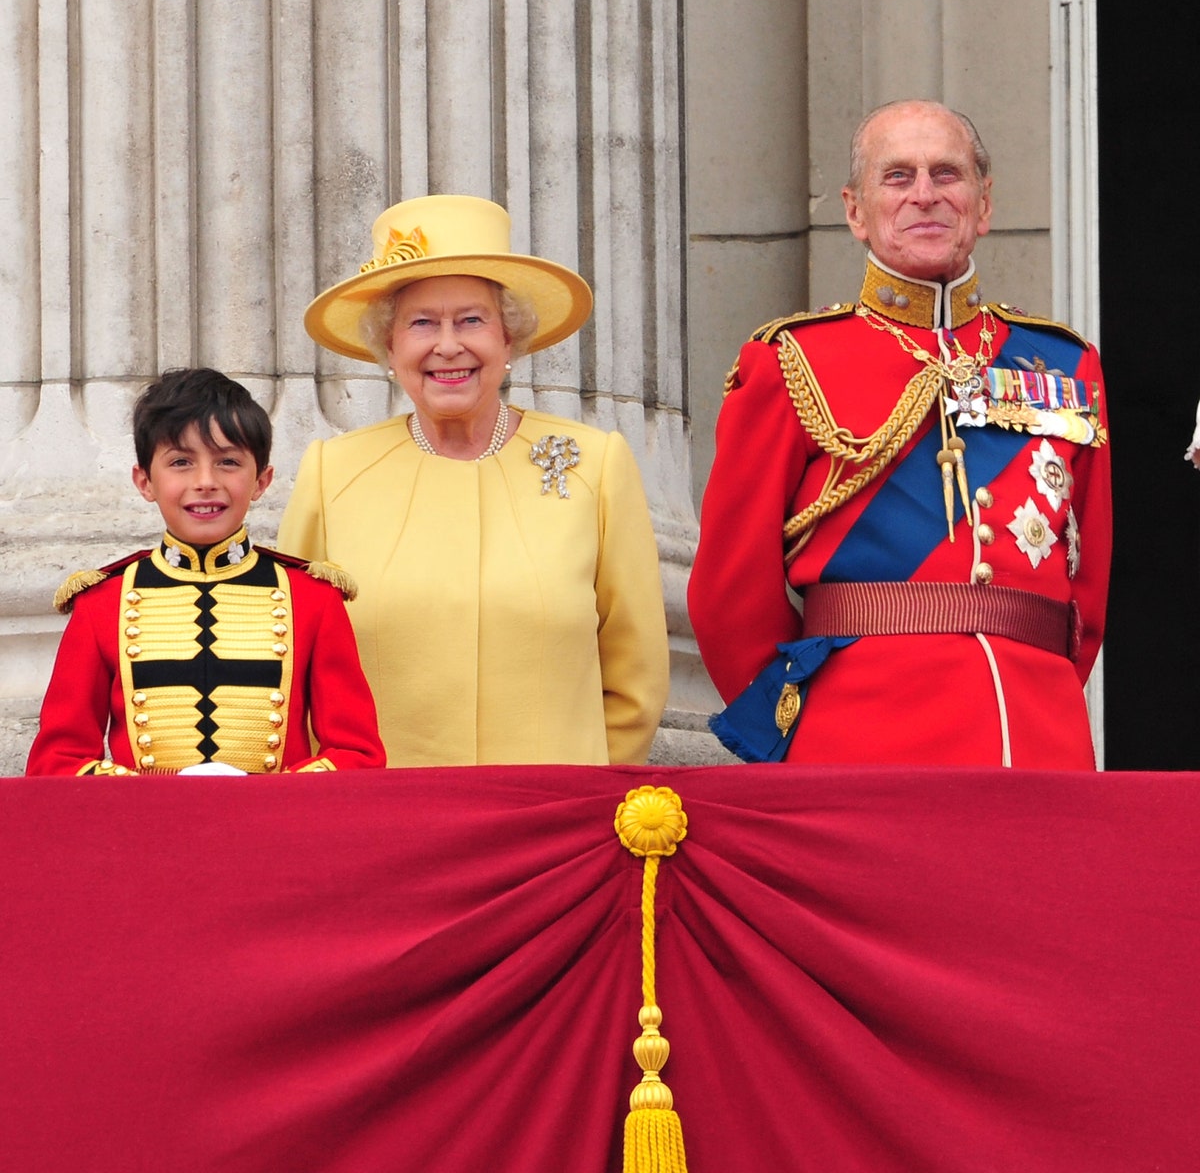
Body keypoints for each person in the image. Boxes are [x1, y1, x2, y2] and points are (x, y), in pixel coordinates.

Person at [688, 100, 1112, 769]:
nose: (925, 195)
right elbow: (729, 596)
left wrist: (1043, 684)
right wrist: (805, 729)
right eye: (898, 176)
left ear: (983, 201)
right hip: (858, 740)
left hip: (1034, 732)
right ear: (855, 211)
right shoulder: (789, 361)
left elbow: (1085, 588)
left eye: (947, 174)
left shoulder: (1064, 365)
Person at [277, 194, 669, 767]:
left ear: (509, 340)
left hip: (549, 819)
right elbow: (291, 659)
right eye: (421, 324)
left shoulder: (594, 463)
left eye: (471, 320)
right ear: (390, 347)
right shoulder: (332, 472)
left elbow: (636, 673)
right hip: (388, 819)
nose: (448, 345)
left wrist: (586, 792)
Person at [25, 367, 386, 777]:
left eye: (228, 462)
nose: (205, 482)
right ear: (144, 482)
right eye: (180, 461)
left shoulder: (312, 598)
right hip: (148, 832)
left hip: (276, 829)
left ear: (261, 481)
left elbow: (358, 755)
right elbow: (56, 762)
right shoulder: (101, 603)